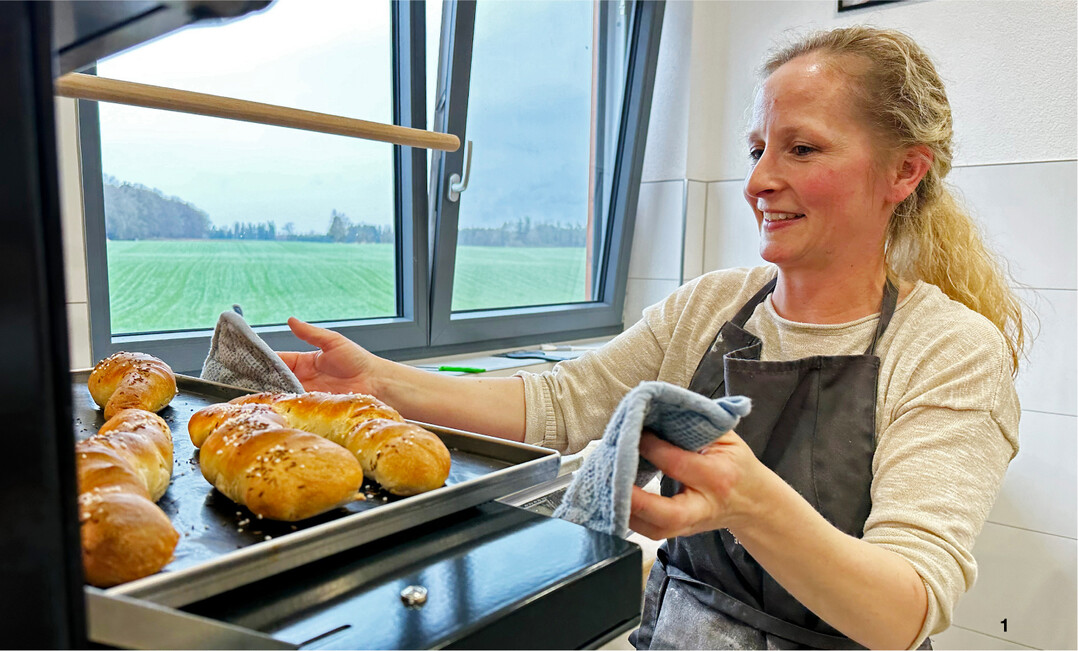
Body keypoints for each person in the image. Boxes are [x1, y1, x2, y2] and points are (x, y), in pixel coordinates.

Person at [278, 26, 1023, 651]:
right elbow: (565, 402)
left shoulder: (950, 349)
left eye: (802, 149)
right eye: (758, 147)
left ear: (904, 171)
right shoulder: (716, 304)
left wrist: (751, 501)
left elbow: (903, 610)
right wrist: (382, 383)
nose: (760, 179)